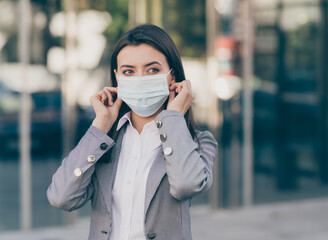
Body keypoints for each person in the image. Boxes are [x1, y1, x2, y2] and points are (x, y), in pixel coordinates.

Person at [47, 24, 217, 240]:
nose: (140, 78)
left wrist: (173, 119)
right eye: (129, 71)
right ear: (118, 77)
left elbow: (186, 184)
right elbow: (61, 197)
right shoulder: (104, 143)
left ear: (172, 76)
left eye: (153, 70)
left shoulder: (199, 142)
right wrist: (100, 126)